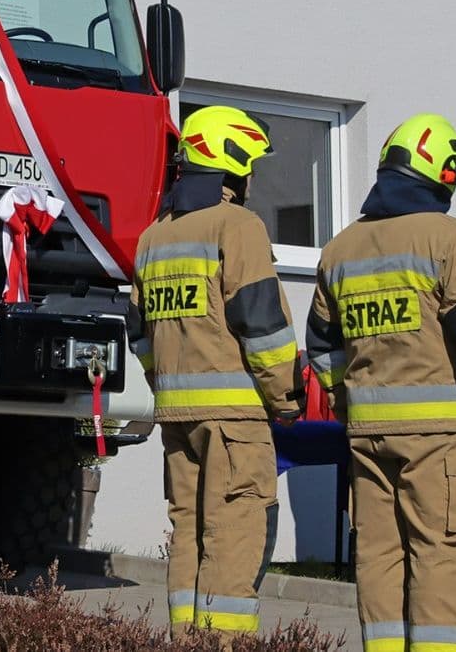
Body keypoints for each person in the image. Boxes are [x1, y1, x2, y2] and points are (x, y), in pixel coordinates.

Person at [306, 113, 456, 652]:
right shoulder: (451, 239)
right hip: (440, 436)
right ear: (441, 175)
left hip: (367, 437)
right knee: (442, 556)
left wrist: (349, 406)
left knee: (379, 557)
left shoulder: (340, 250)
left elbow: (323, 348)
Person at [129, 105, 301, 642]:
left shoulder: (154, 236)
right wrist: (286, 400)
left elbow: (141, 336)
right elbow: (261, 324)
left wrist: (166, 388)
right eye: (248, 165)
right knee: (234, 538)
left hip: (178, 419)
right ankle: (225, 643)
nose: (251, 178)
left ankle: (186, 639)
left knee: (190, 535)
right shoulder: (237, 226)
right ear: (231, 164)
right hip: (235, 420)